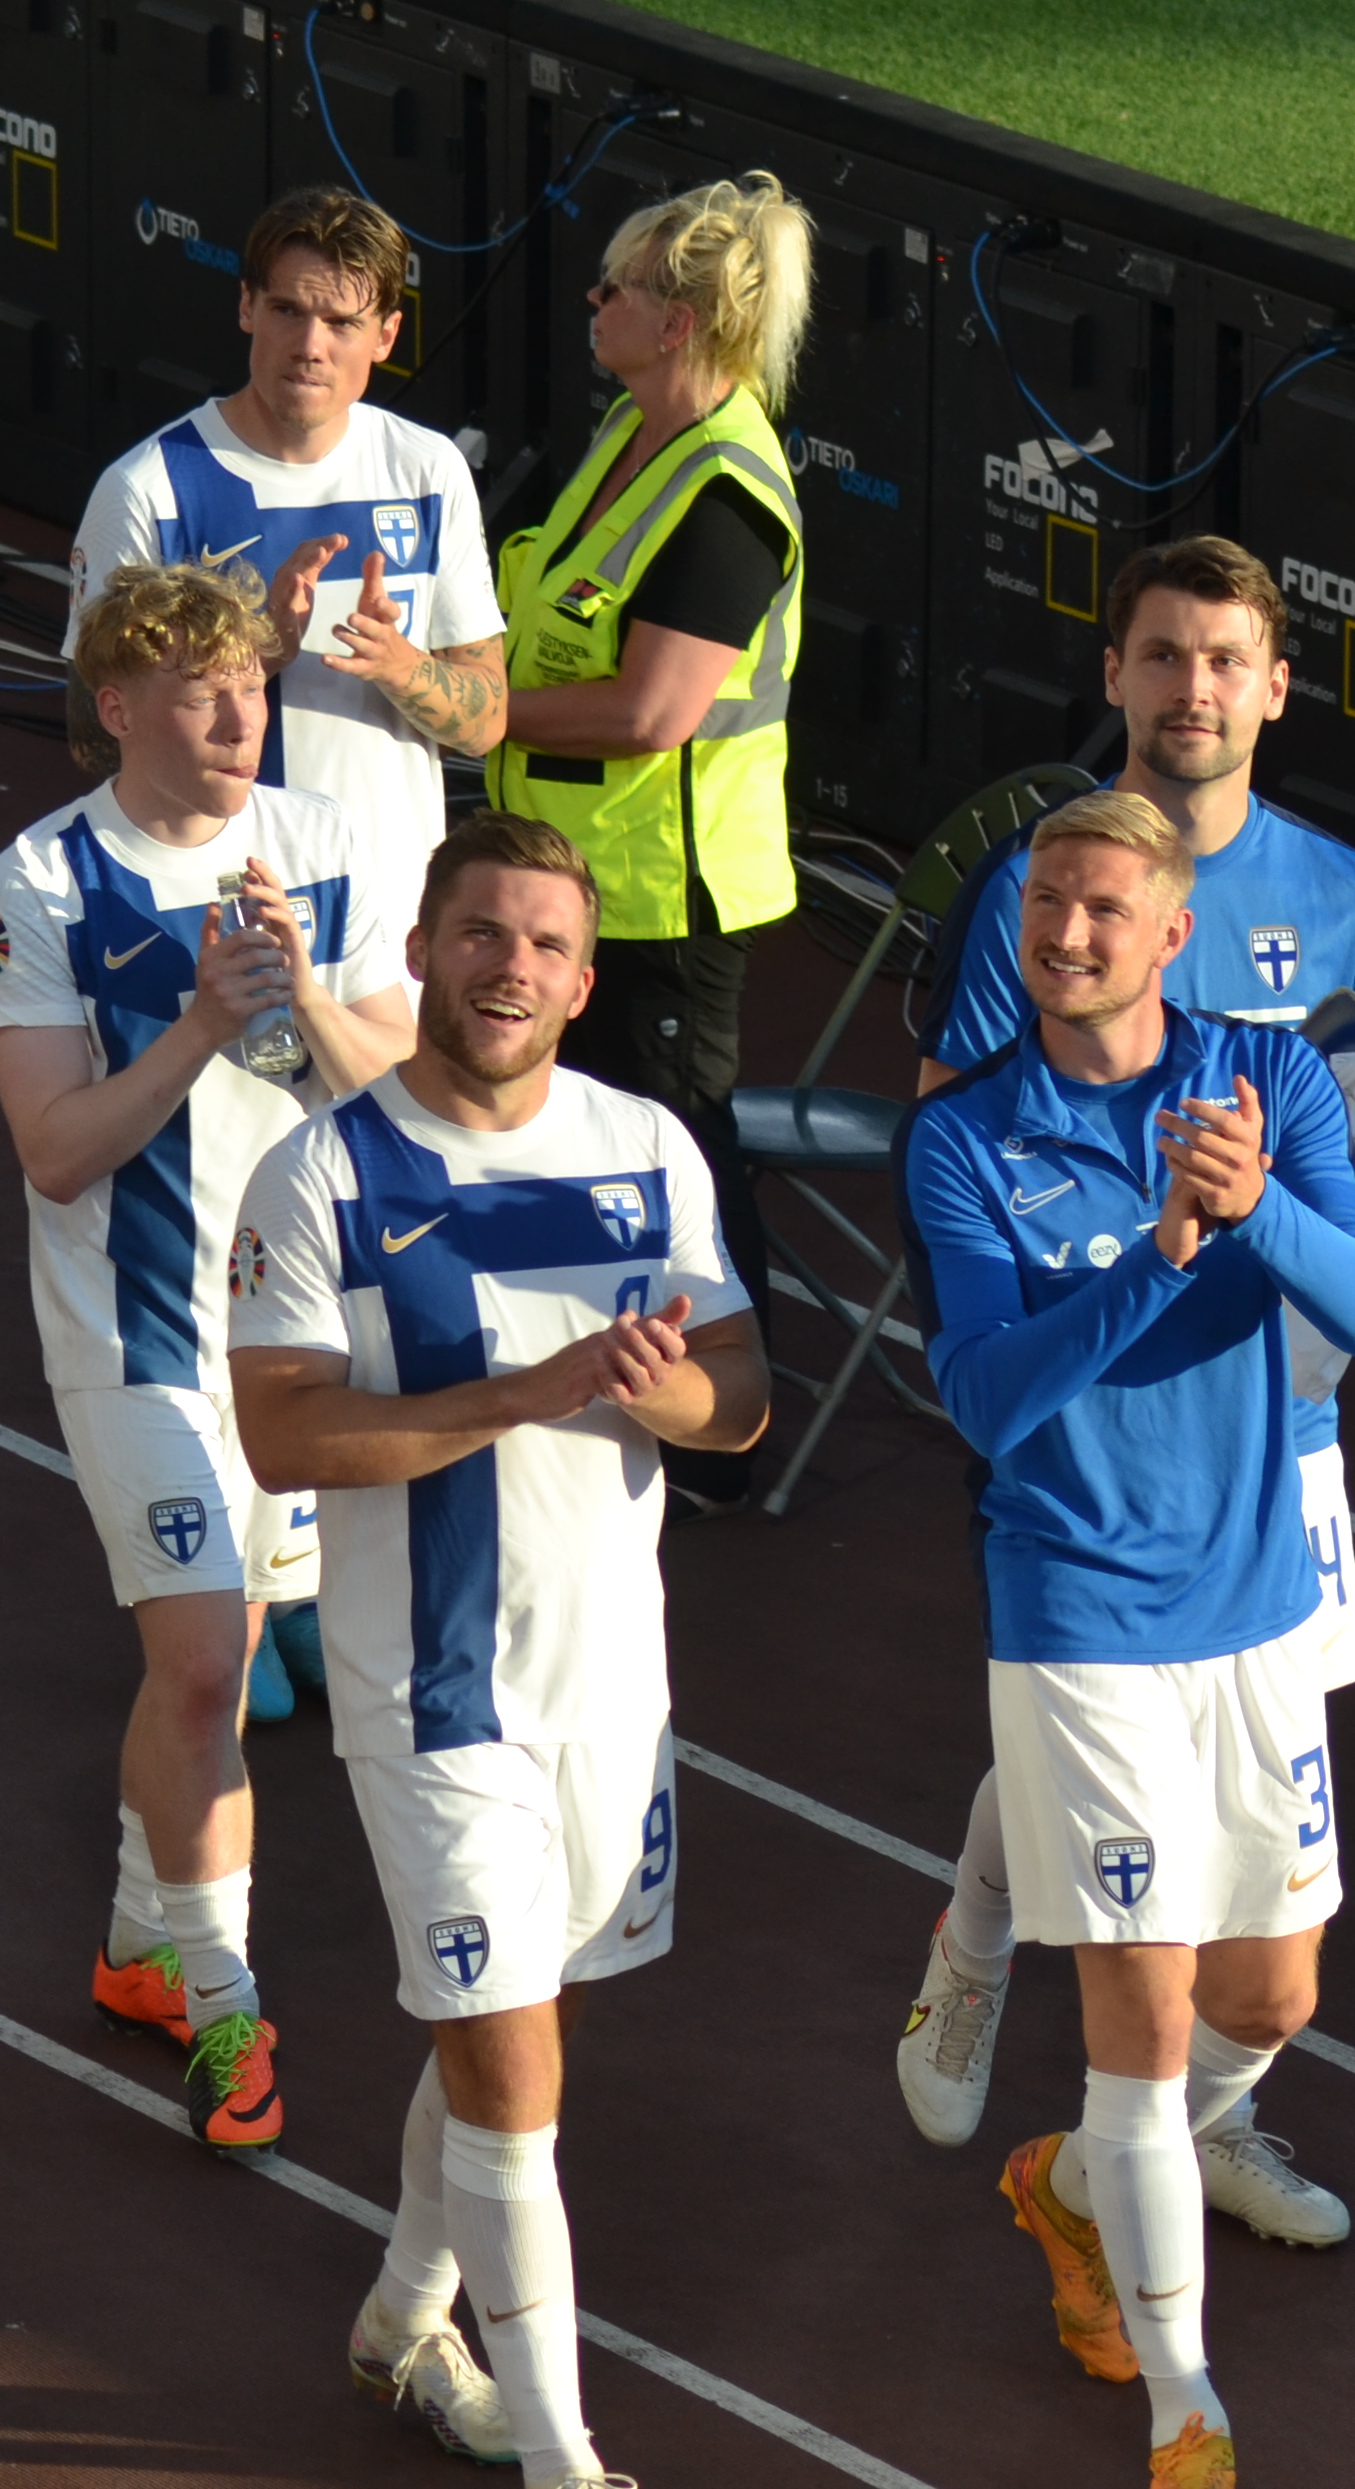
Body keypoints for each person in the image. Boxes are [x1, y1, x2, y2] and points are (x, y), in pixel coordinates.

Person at [230, 811, 770, 2489]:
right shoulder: (318, 1179)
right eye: (480, 933)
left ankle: (400, 2317)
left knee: (515, 2031)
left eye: (544, 944)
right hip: (431, 1693)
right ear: (427, 944)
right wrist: (523, 1390)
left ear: (583, 976)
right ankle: (559, 2474)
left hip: (611, 1681)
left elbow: (747, 1400)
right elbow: (291, 1438)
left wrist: (673, 1390)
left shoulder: (647, 1150)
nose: (510, 970)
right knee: (515, 2080)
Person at [889, 536, 1355, 2242]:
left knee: (1267, 1949)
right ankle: (983, 1939)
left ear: (1273, 686)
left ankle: (1210, 2115)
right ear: (1112, 675)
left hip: (1283, 1427)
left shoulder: (1339, 897)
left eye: (1224, 660)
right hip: (1097, 1408)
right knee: (1099, 1733)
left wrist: (1308, 1319)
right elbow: (960, 1120)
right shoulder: (1040, 891)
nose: (1191, 689)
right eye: (1162, 655)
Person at [898, 789, 1355, 2489]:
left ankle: (1074, 2177)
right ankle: (1189, 2416)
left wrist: (1254, 1209)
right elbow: (985, 1392)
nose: (1067, 934)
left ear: (1171, 934)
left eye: (1105, 909)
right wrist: (1159, 1258)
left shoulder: (1266, 1086)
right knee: (1150, 2017)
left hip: (1257, 1600)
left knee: (1272, 1996)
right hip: (1078, 1609)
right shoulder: (969, 1135)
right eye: (1048, 905)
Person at [0, 560, 417, 2151]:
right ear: (120, 709)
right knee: (208, 1664)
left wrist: (300, 992)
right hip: (135, 1337)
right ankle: (228, 2002)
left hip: (293, 1337)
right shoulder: (34, 887)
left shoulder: (320, 847)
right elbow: (54, 1151)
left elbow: (399, 1088)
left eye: (255, 688)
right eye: (204, 693)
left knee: (220, 1669)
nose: (243, 719)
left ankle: (138, 1942)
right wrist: (200, 1028)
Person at [476, 170, 813, 1507]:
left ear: (678, 324)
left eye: (616, 286)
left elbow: (652, 708)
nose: (594, 302)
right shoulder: (632, 433)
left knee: (686, 1159)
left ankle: (737, 1428)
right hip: (570, 874)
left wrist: (476, 707)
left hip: (663, 903)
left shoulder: (726, 494)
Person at [64, 186, 505, 888]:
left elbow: (485, 721)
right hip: (221, 907)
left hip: (392, 914)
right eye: (287, 311)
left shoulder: (427, 471)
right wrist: (251, 657)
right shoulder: (150, 488)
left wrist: (399, 665)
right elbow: (92, 732)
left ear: (387, 335)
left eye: (342, 322)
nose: (310, 347)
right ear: (247, 307)